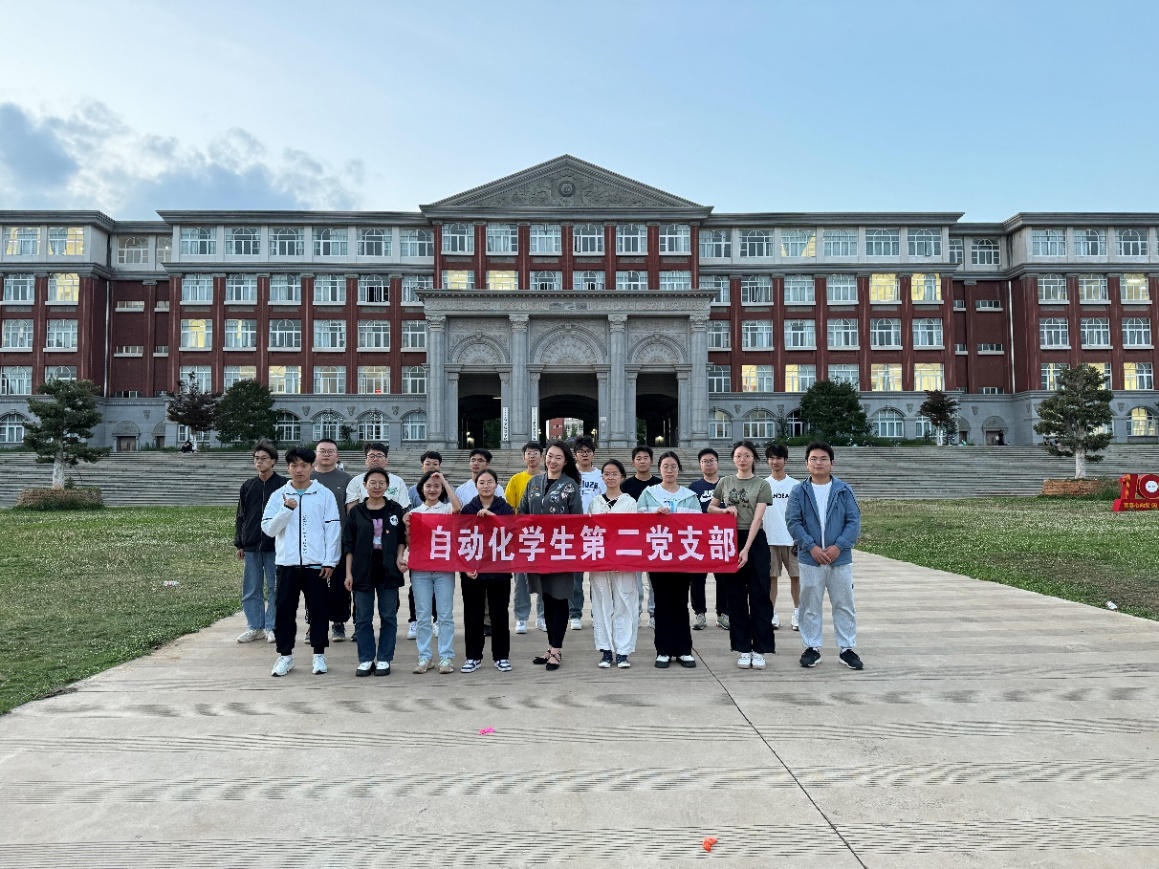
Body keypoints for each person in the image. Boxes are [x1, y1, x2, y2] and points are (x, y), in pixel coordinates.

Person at [262, 446, 342, 677]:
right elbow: (269, 529)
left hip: (316, 565)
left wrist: (330, 561)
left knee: (318, 610)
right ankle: (285, 656)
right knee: (284, 611)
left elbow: (332, 530)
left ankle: (319, 654)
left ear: (311, 467)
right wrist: (286, 510)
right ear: (287, 467)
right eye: (294, 465)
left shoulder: (323, 494)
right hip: (287, 564)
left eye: (304, 465)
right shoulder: (279, 496)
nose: (299, 470)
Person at [785, 442, 864, 671]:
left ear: (832, 462)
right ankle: (812, 647)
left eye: (823, 459)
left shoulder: (843, 490)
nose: (818, 463)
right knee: (810, 604)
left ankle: (847, 648)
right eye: (813, 459)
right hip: (810, 558)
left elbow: (853, 521)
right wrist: (811, 547)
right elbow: (793, 522)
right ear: (806, 463)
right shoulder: (799, 491)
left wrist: (839, 546)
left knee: (844, 603)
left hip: (840, 559)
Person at [709, 440, 774, 670]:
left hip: (754, 541)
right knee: (735, 598)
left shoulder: (762, 485)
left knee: (759, 596)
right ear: (733, 459)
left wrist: (745, 549)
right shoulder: (725, 482)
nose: (742, 460)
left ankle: (760, 649)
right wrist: (724, 510)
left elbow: (757, 519)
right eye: (738, 456)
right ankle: (743, 648)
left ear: (753, 458)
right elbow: (710, 508)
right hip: (729, 539)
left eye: (746, 455)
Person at [520, 440, 583, 672]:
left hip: (561, 551)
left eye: (558, 457)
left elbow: (577, 520)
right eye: (550, 456)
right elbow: (522, 512)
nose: (552, 461)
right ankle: (550, 647)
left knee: (559, 598)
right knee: (546, 598)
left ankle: (557, 650)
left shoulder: (570, 486)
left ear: (565, 462)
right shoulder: (533, 483)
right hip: (538, 551)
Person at [637, 452, 701, 669]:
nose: (670, 470)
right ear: (660, 469)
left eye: (673, 466)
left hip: (683, 557)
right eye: (666, 466)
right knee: (662, 602)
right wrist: (654, 515)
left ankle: (684, 650)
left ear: (679, 470)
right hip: (659, 556)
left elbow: (699, 526)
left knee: (681, 602)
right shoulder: (649, 494)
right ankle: (663, 650)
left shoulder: (689, 496)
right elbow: (638, 523)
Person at [343, 468, 408, 677]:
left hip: (388, 570)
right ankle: (365, 658)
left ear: (387, 486)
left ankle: (384, 658)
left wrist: (400, 556)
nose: (377, 486)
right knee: (363, 617)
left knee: (388, 616)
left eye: (381, 483)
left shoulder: (395, 509)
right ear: (365, 486)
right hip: (362, 570)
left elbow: (401, 539)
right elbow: (349, 545)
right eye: (373, 483)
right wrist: (348, 573)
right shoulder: (356, 512)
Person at [404, 469, 461, 674]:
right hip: (421, 571)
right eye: (428, 486)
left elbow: (458, 507)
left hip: (443, 569)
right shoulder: (414, 513)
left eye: (436, 486)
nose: (432, 489)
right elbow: (411, 543)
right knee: (423, 615)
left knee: (444, 615)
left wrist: (443, 480)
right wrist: (407, 528)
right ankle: (425, 657)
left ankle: (446, 657)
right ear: (421, 489)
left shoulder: (445, 509)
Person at [458, 469, 514, 672]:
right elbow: (460, 539)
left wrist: (493, 517)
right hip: (473, 571)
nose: (486, 486)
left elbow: (513, 532)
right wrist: (465, 567)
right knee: (473, 615)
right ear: (476, 486)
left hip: (499, 570)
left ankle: (501, 656)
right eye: (482, 482)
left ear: (496, 485)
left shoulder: (505, 508)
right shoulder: (468, 509)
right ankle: (473, 657)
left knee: (500, 615)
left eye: (490, 482)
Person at [588, 459, 639, 668]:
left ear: (622, 477)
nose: (610, 477)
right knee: (601, 603)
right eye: (607, 474)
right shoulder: (595, 502)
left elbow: (634, 531)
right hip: (600, 560)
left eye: (614, 474)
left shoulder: (630, 502)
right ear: (602, 477)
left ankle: (623, 651)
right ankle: (606, 650)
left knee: (625, 602)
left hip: (623, 560)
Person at [234, 440, 286, 644]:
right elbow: (241, 516)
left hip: (276, 545)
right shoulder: (248, 486)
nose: (259, 462)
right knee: (251, 588)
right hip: (252, 544)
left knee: (275, 587)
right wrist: (240, 543)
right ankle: (255, 626)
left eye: (264, 458)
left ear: (273, 461)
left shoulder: (283, 485)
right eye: (256, 458)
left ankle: (272, 626)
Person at [311, 439, 353, 642]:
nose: (326, 454)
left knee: (339, 586)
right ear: (315, 454)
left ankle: (338, 623)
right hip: (312, 542)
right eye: (322, 451)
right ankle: (314, 624)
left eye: (330, 451)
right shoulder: (307, 477)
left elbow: (351, 512)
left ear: (337, 455)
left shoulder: (346, 479)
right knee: (313, 585)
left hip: (339, 540)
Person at [505, 441, 546, 634]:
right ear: (523, 457)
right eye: (528, 453)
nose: (532, 456)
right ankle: (521, 618)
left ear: (542, 457)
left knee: (545, 578)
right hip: (521, 536)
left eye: (535, 453)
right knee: (521, 579)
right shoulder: (516, 480)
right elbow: (509, 508)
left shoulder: (549, 479)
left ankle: (542, 616)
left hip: (544, 537)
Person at [687, 447, 727, 631]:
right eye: (705, 461)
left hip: (721, 538)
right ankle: (700, 614)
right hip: (699, 539)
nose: (708, 464)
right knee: (697, 578)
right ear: (700, 465)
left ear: (717, 463)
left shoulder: (727, 485)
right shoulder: (694, 488)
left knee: (724, 578)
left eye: (711, 461)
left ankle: (723, 614)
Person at [621, 445, 661, 628]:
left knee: (655, 581)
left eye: (645, 458)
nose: (642, 461)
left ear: (651, 461)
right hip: (633, 540)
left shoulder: (660, 485)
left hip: (655, 538)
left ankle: (654, 614)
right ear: (633, 462)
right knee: (634, 581)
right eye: (638, 458)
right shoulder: (625, 486)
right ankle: (635, 613)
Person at [763, 444, 801, 632]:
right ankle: (770, 612)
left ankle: (799, 613)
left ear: (785, 460)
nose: (775, 461)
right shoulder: (763, 485)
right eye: (771, 458)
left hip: (792, 540)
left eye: (778, 458)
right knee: (771, 578)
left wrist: (800, 538)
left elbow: (802, 513)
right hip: (769, 539)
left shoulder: (796, 485)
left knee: (797, 577)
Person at [569, 435, 605, 630]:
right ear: (575, 454)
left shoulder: (601, 476)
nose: (584, 454)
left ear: (593, 454)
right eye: (581, 452)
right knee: (575, 576)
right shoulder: (569, 475)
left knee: (598, 576)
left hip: (596, 531)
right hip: (574, 531)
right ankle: (575, 613)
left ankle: (597, 613)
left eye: (588, 451)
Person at [406, 450, 442, 639]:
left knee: (439, 587)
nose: (431, 467)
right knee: (416, 587)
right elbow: (408, 515)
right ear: (422, 466)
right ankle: (414, 621)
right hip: (419, 548)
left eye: (435, 464)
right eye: (428, 463)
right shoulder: (413, 491)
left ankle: (436, 621)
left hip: (441, 547)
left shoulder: (445, 488)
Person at [345, 442, 409, 513]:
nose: (375, 459)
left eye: (379, 456)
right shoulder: (355, 482)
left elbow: (403, 509)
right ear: (365, 461)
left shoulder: (398, 481)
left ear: (386, 460)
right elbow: (351, 512)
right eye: (371, 456)